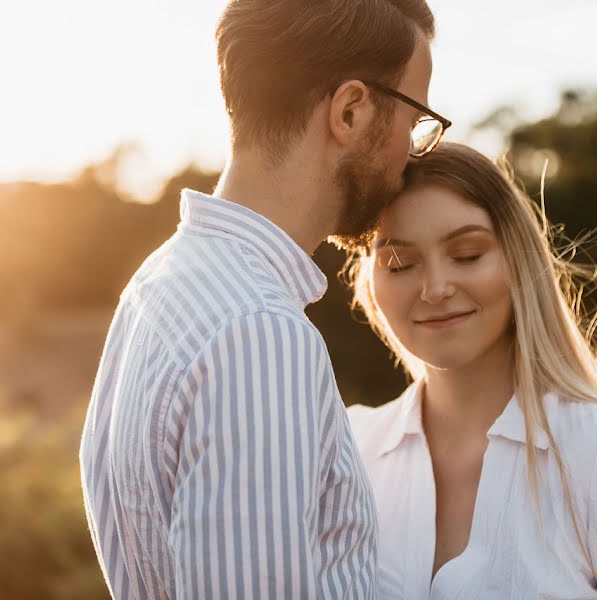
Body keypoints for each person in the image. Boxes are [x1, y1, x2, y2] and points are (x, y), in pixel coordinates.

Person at [79, 0, 448, 597]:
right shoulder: (259, 333)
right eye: (415, 119)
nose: (412, 150)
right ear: (351, 111)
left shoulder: (159, 282)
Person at [343, 143, 597, 599]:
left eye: (467, 254)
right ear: (369, 282)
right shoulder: (346, 450)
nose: (436, 288)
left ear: (519, 262)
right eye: (399, 263)